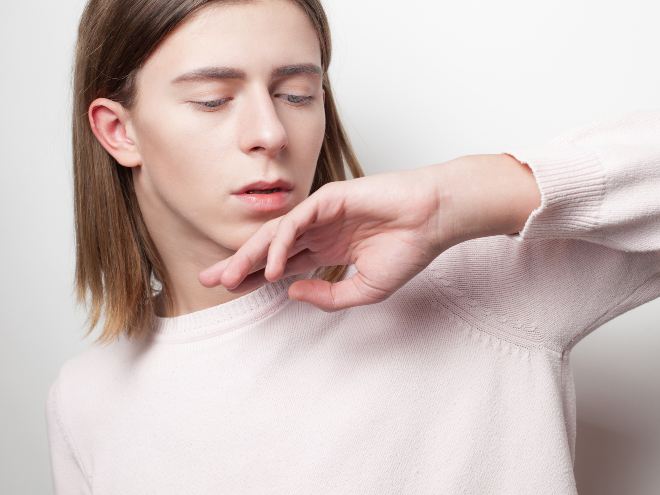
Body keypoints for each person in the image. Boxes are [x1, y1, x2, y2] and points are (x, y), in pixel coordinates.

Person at [46, 0, 660, 493]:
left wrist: (453, 199)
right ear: (119, 131)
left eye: (297, 94)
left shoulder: (478, 285)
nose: (269, 133)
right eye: (214, 99)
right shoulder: (85, 398)